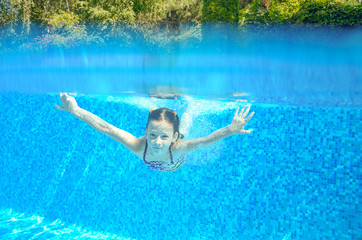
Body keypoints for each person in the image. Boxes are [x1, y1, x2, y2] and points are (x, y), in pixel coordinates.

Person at [55, 93, 255, 172]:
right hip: (166, 162)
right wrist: (75, 110)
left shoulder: (178, 147)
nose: (157, 142)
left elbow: (205, 141)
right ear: (145, 132)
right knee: (167, 127)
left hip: (176, 159)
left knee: (185, 125)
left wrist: (230, 130)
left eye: (164, 136)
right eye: (152, 135)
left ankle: (192, 106)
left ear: (172, 138)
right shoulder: (137, 145)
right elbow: (106, 127)